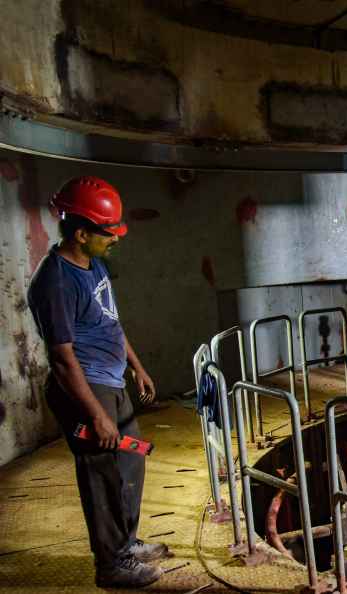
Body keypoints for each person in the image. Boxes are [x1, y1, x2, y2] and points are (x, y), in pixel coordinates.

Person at [27, 176, 170, 588]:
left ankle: (125, 543)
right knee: (102, 475)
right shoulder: (54, 281)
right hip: (86, 391)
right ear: (81, 232)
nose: (115, 239)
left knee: (130, 461)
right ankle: (110, 565)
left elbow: (110, 323)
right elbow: (61, 357)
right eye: (108, 232)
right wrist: (95, 414)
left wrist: (137, 367)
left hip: (111, 383)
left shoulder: (95, 265)